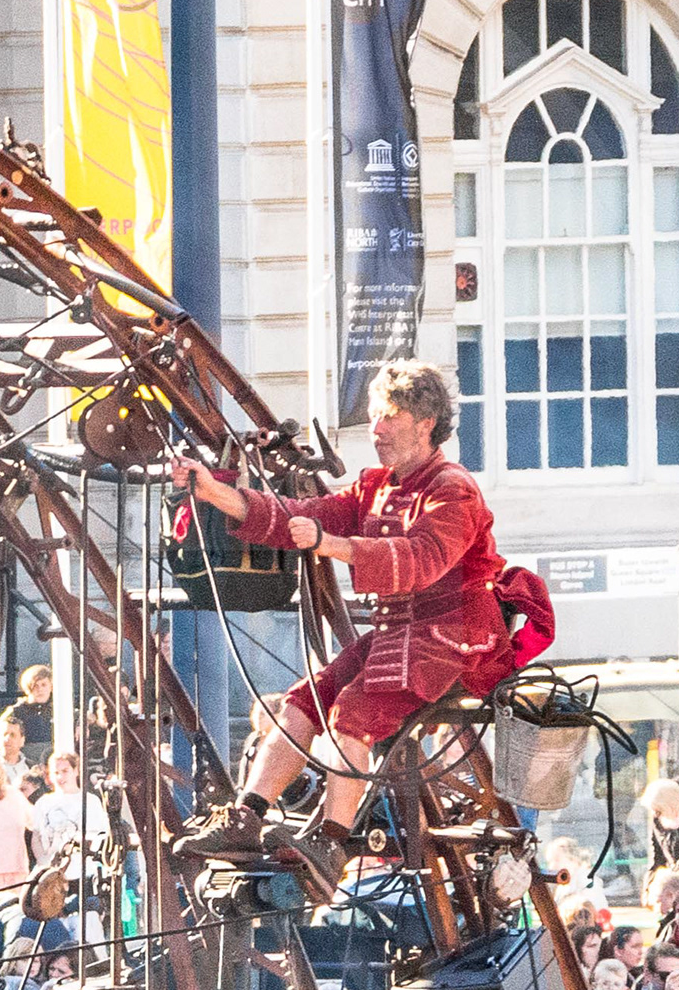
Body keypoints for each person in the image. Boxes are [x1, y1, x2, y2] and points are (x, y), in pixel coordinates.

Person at [167, 362, 525, 888]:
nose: (376, 429)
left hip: (451, 640)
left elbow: (420, 559)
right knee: (302, 699)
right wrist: (215, 493)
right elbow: (300, 514)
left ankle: (332, 843)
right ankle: (247, 815)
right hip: (397, 633)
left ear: (425, 422)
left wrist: (329, 544)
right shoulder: (375, 487)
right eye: (375, 416)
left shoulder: (453, 490)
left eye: (389, 415)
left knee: (353, 711)